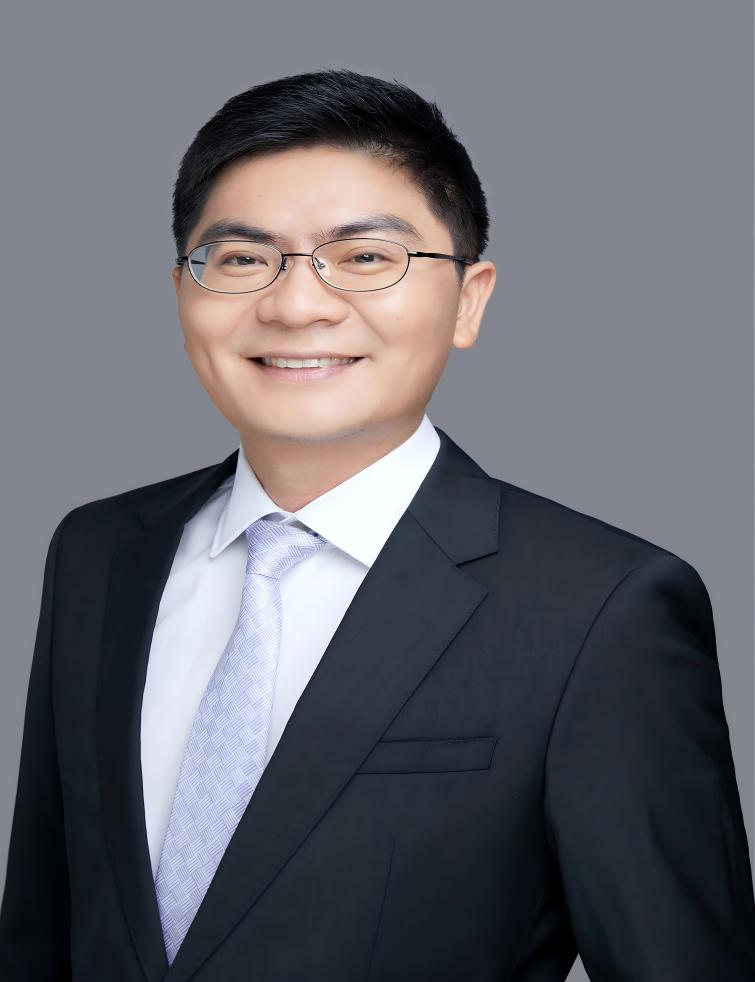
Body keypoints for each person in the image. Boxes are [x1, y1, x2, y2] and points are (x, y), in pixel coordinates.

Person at [0, 67, 753, 982]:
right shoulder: (98, 552)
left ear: (468, 299)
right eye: (241, 260)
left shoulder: (601, 607)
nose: (296, 305)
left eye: (364, 257)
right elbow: (39, 933)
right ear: (182, 291)